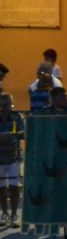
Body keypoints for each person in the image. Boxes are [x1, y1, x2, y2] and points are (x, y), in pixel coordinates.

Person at [0, 93, 24, 228]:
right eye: (1, 105)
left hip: (13, 157)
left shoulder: (16, 117)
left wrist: (9, 135)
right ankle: (4, 213)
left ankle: (14, 214)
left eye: (5, 105)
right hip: (0, 159)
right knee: (1, 188)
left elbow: (24, 133)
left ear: (11, 105)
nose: (3, 108)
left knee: (14, 187)